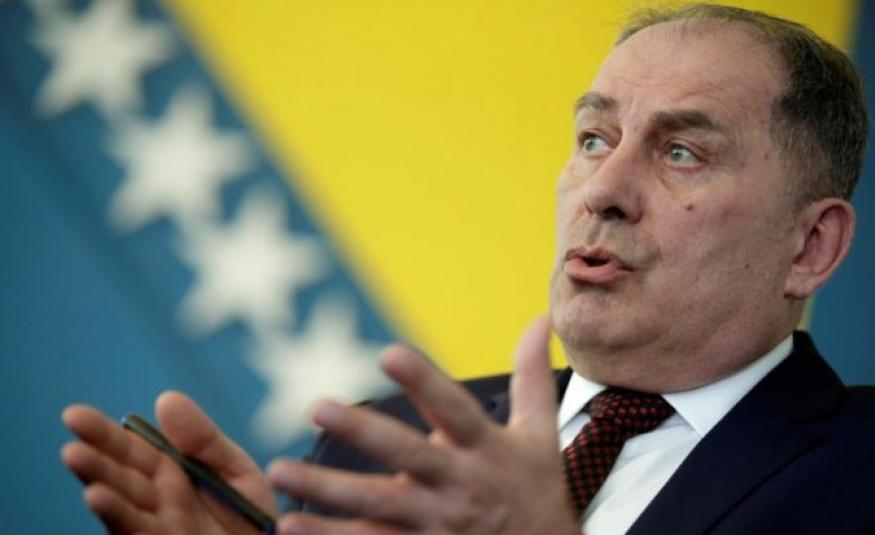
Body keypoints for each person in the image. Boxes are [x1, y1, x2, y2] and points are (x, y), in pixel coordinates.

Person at [61, 4, 873, 534]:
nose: (602, 188)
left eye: (681, 152)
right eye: (593, 139)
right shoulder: (385, 446)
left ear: (809, 246)